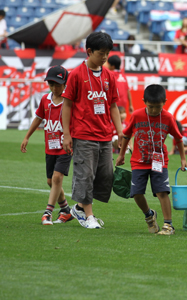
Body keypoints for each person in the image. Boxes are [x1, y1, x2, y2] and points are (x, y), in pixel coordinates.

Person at [62, 32, 123, 229]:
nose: (105, 57)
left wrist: (120, 132)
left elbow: (113, 106)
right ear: (89, 52)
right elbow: (67, 105)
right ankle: (89, 216)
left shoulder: (110, 76)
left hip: (105, 135)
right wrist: (67, 134)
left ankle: (79, 207)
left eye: (107, 53)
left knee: (106, 175)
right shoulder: (76, 74)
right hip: (83, 134)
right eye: (101, 53)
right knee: (85, 174)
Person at [115, 84, 187, 236]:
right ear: (144, 101)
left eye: (158, 107)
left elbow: (179, 138)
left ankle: (168, 225)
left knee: (162, 192)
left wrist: (183, 158)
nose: (154, 110)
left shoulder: (168, 117)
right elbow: (127, 135)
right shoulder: (136, 115)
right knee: (136, 193)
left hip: (159, 162)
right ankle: (149, 215)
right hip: (138, 162)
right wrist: (121, 155)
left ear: (165, 102)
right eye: (151, 107)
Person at [21, 65, 74, 225]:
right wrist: (27, 136)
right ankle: (65, 210)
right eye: (51, 84)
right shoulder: (45, 99)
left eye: (57, 84)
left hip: (65, 147)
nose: (54, 88)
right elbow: (38, 118)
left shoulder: (70, 101)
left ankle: (48, 212)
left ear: (65, 83)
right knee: (51, 182)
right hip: (50, 147)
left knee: (57, 178)